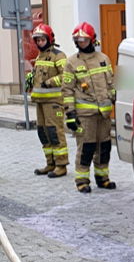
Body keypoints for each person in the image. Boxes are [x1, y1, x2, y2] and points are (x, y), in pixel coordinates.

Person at [61, 22, 117, 193]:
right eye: (78, 40)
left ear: (92, 40)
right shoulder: (71, 63)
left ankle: (103, 178)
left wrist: (116, 101)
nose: (80, 43)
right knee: (86, 148)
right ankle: (82, 180)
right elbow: (67, 90)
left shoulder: (103, 59)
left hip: (104, 114)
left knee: (104, 147)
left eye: (84, 40)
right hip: (85, 115)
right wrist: (70, 114)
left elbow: (111, 84)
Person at [27, 25, 69, 178]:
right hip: (40, 101)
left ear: (49, 39)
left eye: (42, 39)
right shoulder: (40, 56)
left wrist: (50, 82)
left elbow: (67, 76)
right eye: (37, 40)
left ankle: (61, 165)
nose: (39, 42)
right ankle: (50, 163)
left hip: (54, 102)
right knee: (43, 133)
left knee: (55, 132)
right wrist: (31, 80)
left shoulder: (58, 56)